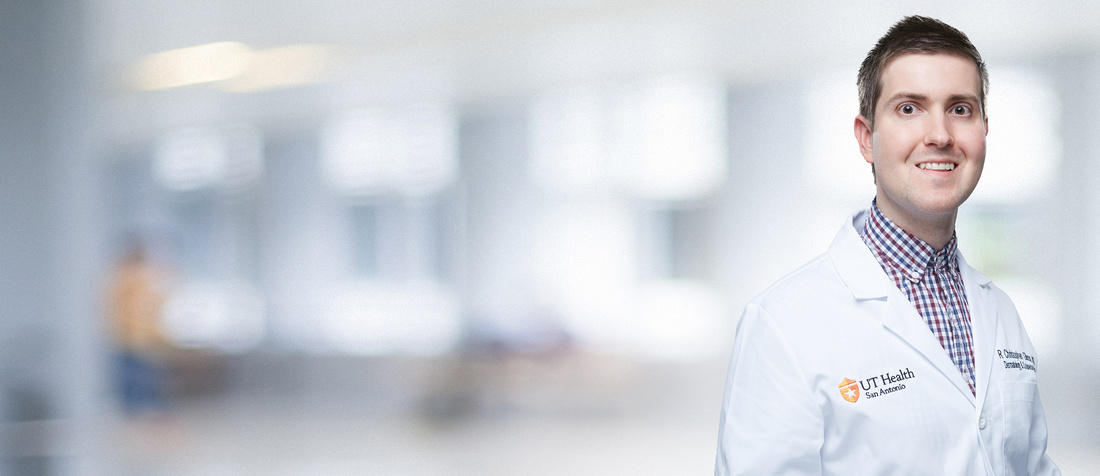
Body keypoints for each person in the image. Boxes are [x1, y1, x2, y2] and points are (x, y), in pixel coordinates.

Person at [714, 16, 1060, 475]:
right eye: (909, 108)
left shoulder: (1003, 314)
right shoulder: (782, 324)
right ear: (866, 139)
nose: (940, 135)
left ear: (983, 131)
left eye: (960, 109)